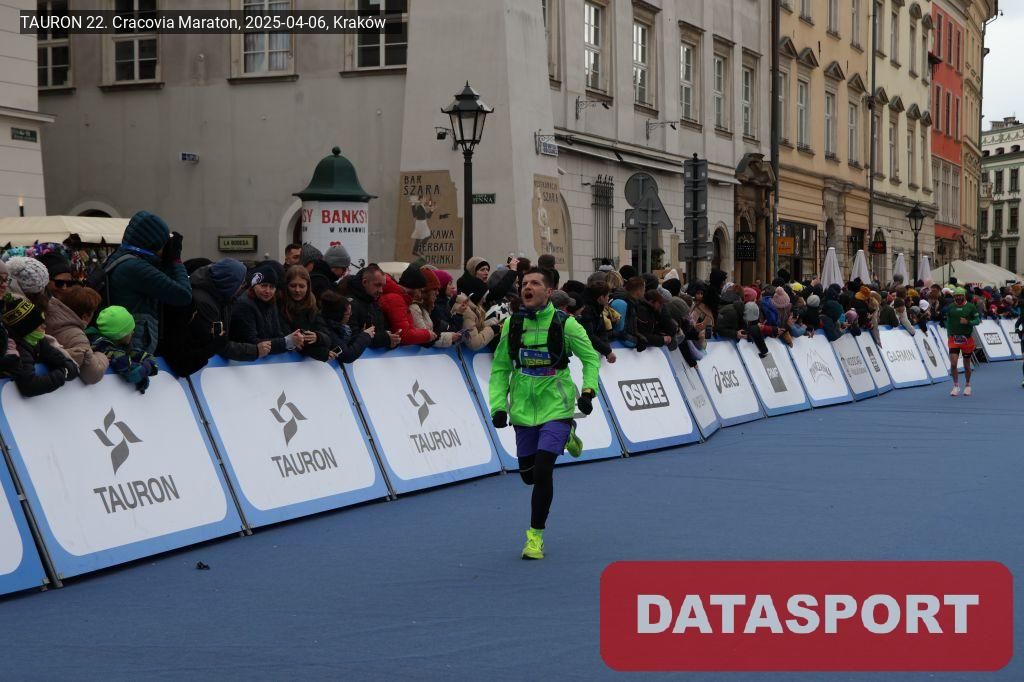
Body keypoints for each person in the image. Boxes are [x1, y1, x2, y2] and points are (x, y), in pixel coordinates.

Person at [488, 268, 601, 561]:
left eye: (535, 283)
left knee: (542, 472)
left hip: (556, 403)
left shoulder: (567, 324)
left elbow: (590, 359)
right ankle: (568, 435)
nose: (528, 287)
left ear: (548, 291)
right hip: (523, 406)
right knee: (528, 476)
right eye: (524, 283)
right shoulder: (512, 324)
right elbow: (500, 369)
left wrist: (588, 391)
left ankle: (534, 537)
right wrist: (498, 406)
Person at [105, 211, 192, 354]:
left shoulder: (120, 257)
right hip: (133, 345)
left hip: (127, 339)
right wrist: (176, 259)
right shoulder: (135, 268)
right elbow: (184, 295)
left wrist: (165, 260)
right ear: (153, 243)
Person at [160, 258, 264, 376]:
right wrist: (218, 343)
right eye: (241, 282)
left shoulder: (221, 298)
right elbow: (194, 353)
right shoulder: (205, 303)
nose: (242, 287)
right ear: (230, 282)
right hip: (181, 367)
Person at [2, 295, 79, 397]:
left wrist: (63, 370)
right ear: (27, 328)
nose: (45, 326)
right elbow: (29, 387)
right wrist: (63, 373)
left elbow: (69, 365)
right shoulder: (19, 350)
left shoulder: (38, 341)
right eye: (39, 325)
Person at [230, 263, 306, 356]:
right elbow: (251, 342)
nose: (268, 291)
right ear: (254, 286)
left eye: (272, 287)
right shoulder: (244, 305)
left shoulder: (271, 302)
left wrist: (292, 341)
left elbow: (277, 333)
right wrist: (287, 342)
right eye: (264, 285)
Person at [88, 306, 159, 393]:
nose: (133, 332)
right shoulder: (104, 348)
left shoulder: (123, 345)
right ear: (119, 335)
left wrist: (147, 365)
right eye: (130, 331)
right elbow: (132, 373)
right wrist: (145, 369)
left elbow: (143, 356)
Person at [343, 264, 401, 350]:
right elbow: (353, 336)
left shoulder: (373, 302)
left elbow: (383, 330)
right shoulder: (350, 304)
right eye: (377, 285)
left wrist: (392, 340)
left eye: (382, 286)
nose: (381, 290)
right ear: (365, 282)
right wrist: (385, 339)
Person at [280, 266, 331, 361]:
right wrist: (320, 353)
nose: (297, 290)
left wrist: (318, 337)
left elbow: (327, 336)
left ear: (308, 287)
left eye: (301, 286)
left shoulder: (312, 306)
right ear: (286, 286)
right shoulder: (279, 306)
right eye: (293, 286)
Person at [379, 264, 437, 346]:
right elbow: (403, 334)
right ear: (414, 286)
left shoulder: (401, 299)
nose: (419, 295)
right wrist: (427, 335)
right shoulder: (396, 300)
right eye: (420, 290)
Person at [320, 290, 374, 363]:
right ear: (338, 315)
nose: (350, 315)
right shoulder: (326, 330)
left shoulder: (338, 327)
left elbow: (345, 344)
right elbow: (347, 355)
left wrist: (362, 334)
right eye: (348, 314)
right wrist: (365, 336)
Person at [945, 287, 980, 397]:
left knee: (966, 365)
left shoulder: (971, 307)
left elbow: (977, 321)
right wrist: (949, 333)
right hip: (954, 339)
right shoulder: (951, 307)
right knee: (953, 364)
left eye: (960, 296)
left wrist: (968, 322)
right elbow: (948, 321)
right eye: (956, 296)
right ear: (954, 297)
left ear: (964, 296)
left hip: (967, 340)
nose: (958, 298)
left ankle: (968, 385)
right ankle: (956, 385)